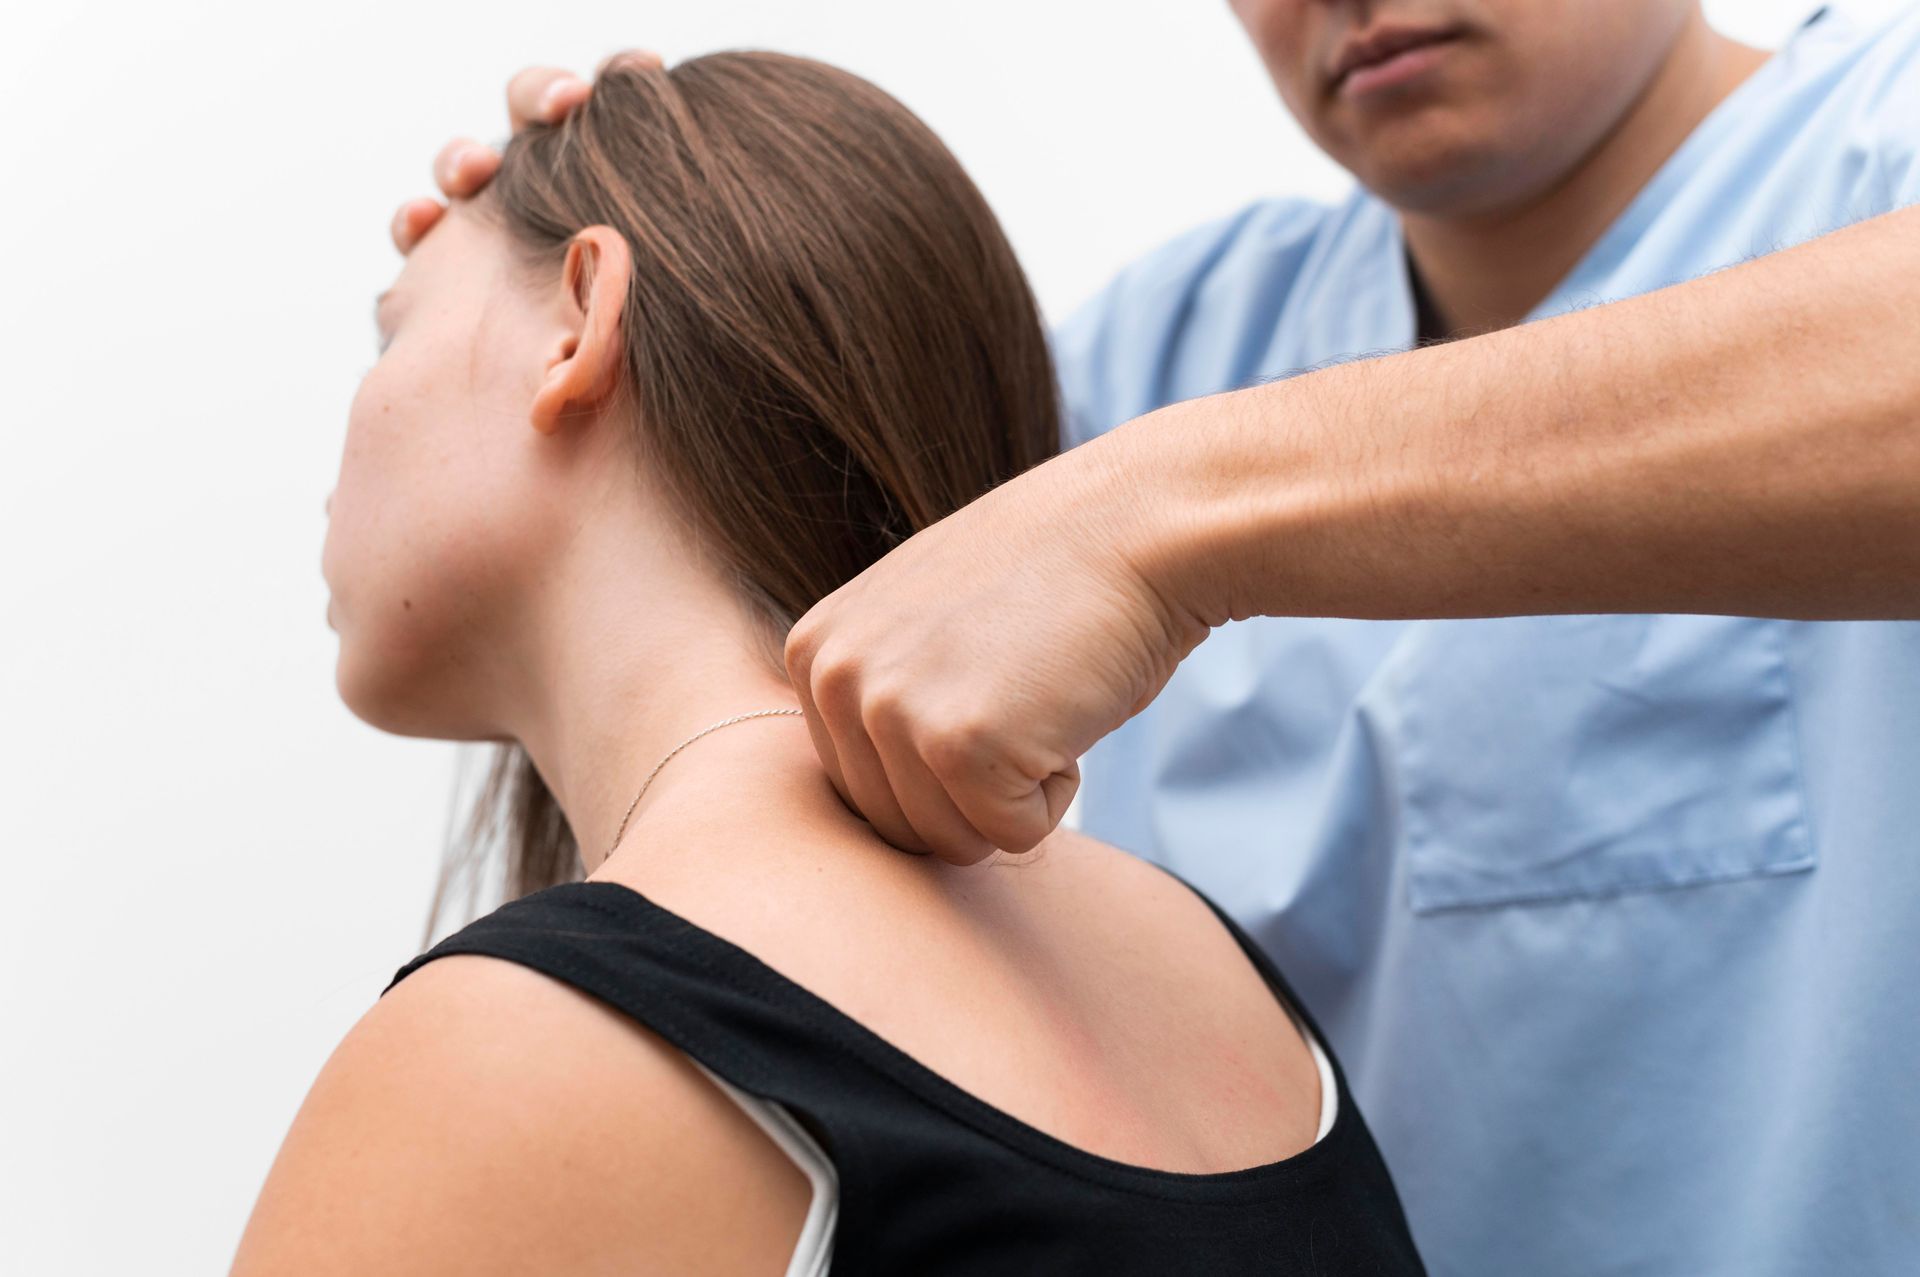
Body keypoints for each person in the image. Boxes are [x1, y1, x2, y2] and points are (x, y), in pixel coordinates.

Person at [393, 4, 1920, 1272]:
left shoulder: (1876, 142)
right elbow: (763, 554)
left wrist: (1166, 515)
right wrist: (635, 232)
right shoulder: (1173, 353)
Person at [230, 52, 1427, 1276]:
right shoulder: (1225, 986)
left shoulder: (523, 1055)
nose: (345, 443)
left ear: (578, 321)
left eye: (391, 331)